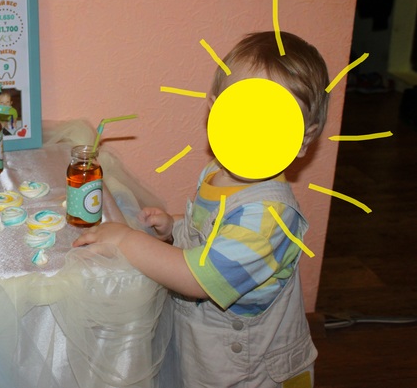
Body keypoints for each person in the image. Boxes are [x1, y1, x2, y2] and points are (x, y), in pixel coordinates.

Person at [73, 31, 329, 387]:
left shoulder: (270, 218)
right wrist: (175, 227)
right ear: (214, 111)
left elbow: (198, 279)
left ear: (303, 139)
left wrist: (126, 240)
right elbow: (213, 230)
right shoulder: (217, 172)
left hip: (248, 372)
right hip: (205, 351)